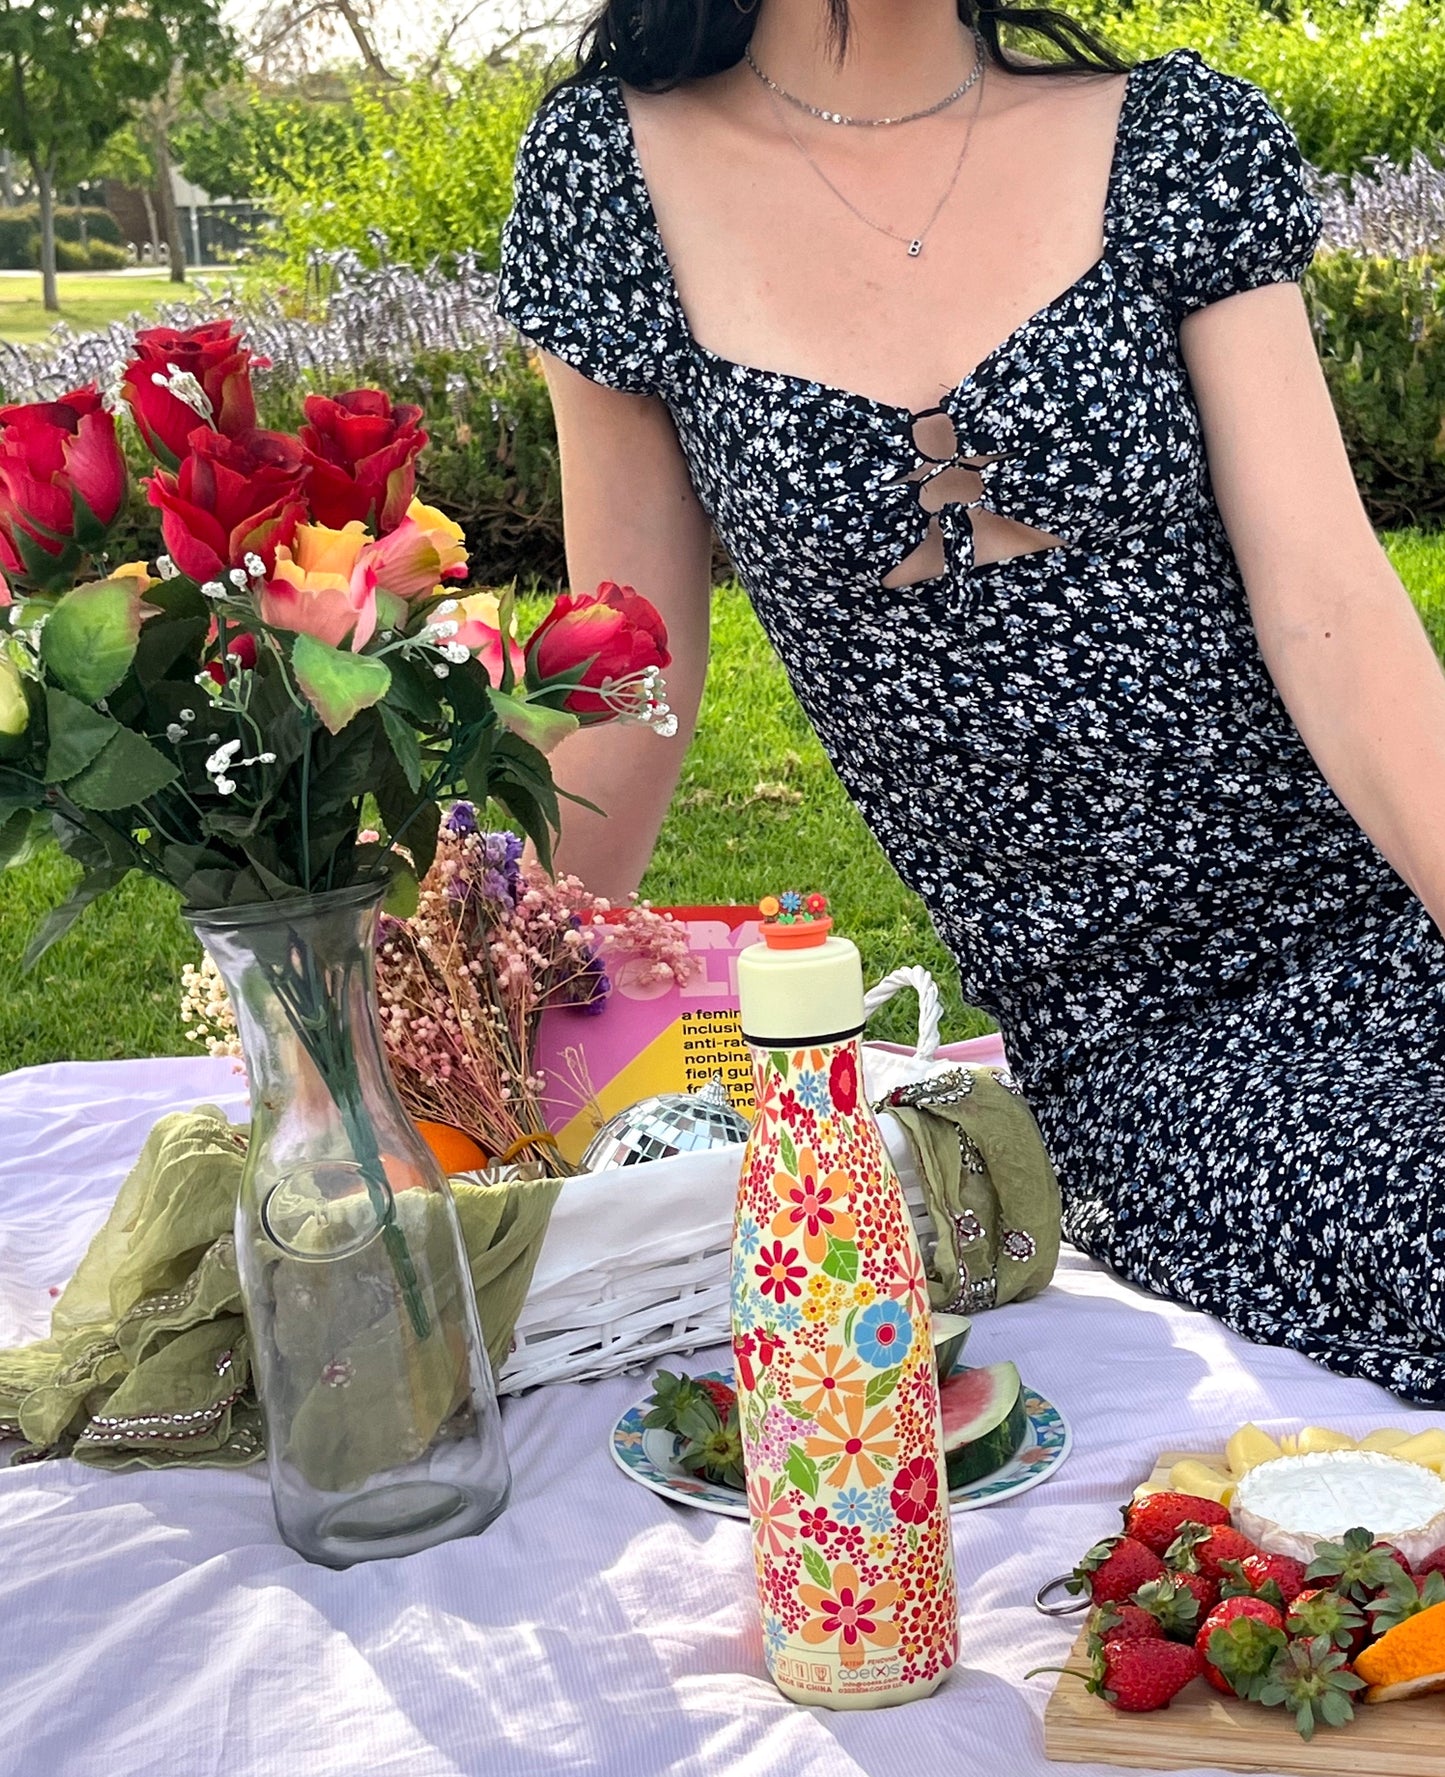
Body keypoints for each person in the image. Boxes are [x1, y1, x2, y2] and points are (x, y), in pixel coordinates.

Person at [494, 0, 1445, 1401]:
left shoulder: (1176, 139)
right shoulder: (611, 180)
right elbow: (630, 677)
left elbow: (1334, 614)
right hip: (1137, 1041)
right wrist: (470, 1007)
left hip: (1388, 913)